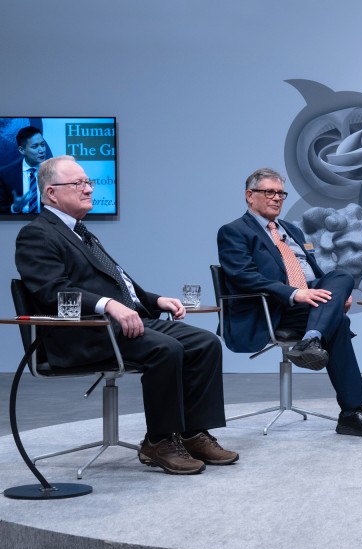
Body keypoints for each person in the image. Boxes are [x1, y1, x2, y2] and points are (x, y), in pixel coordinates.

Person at [15, 156, 237, 475]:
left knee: (204, 343)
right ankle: (159, 441)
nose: (88, 188)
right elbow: (52, 291)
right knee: (167, 349)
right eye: (78, 184)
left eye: (88, 182)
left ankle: (192, 433)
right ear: (51, 193)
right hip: (87, 332)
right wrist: (107, 305)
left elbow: (121, 284)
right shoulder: (36, 235)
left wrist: (158, 300)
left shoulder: (82, 233)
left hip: (124, 323)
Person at [217, 167, 362, 437]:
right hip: (270, 308)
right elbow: (243, 277)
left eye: (280, 193)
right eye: (269, 192)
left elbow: (317, 273)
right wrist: (293, 293)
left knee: (341, 275)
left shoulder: (291, 229)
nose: (277, 198)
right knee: (339, 324)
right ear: (249, 196)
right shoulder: (234, 232)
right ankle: (352, 413)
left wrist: (334, 297)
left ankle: (311, 339)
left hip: (305, 302)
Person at [0, 126, 47, 214]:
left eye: (43, 145)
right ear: (22, 150)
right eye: (35, 146)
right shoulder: (5, 175)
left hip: (46, 224)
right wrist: (15, 208)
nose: (41, 150)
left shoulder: (55, 172)